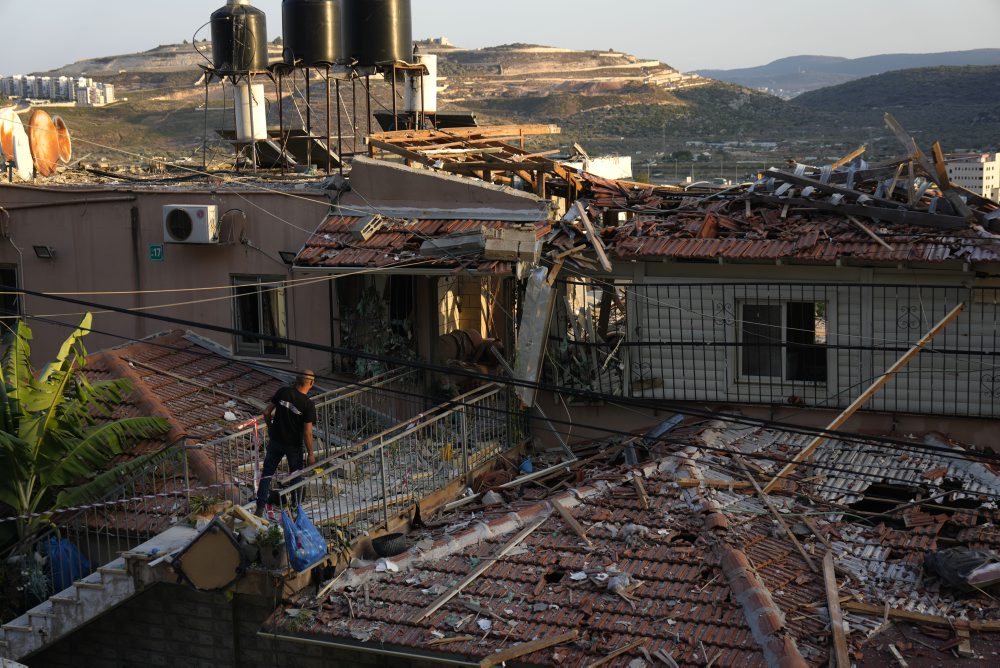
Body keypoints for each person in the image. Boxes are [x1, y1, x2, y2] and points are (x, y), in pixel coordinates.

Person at [255, 370, 317, 517]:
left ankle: (260, 507)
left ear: (296, 380)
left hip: (276, 441)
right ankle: (296, 509)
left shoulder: (283, 392)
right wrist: (311, 454)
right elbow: (308, 433)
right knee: (296, 474)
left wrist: (271, 429)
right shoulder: (308, 404)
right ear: (312, 383)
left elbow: (266, 412)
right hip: (294, 446)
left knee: (267, 473)